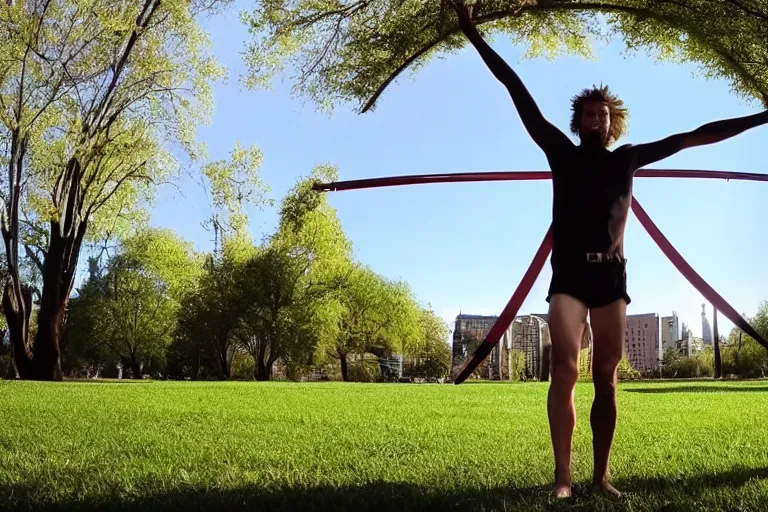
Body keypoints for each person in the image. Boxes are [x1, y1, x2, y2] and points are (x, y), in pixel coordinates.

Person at [448, 0, 768, 499]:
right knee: (563, 368)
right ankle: (562, 479)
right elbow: (516, 90)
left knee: (606, 376)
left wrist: (762, 117)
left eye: (604, 114)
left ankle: (601, 476)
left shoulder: (628, 160)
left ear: (613, 122)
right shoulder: (560, 151)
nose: (596, 119)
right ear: (578, 122)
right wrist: (471, 33)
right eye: (589, 114)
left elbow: (694, 136)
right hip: (569, 277)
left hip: (612, 279)